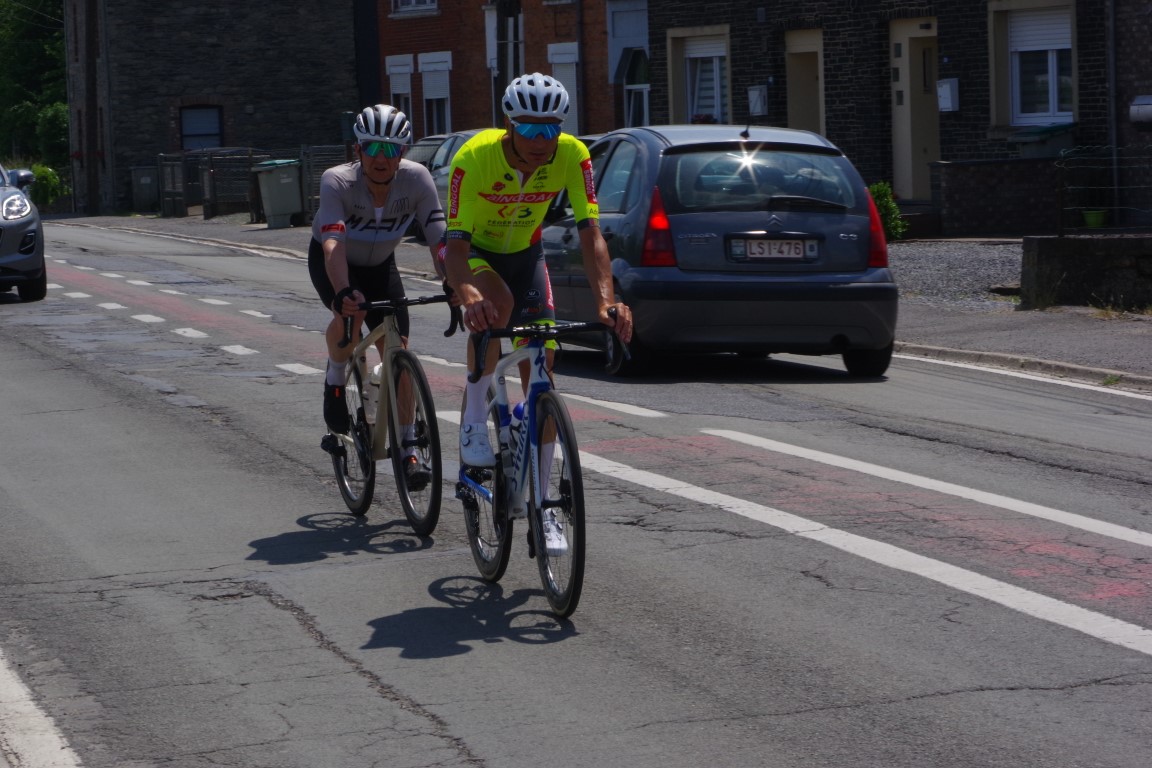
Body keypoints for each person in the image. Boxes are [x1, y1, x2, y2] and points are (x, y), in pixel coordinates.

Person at [442, 72, 634, 475]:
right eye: (529, 129)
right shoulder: (473, 158)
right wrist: (469, 295)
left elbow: (591, 235)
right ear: (509, 125)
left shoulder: (573, 155)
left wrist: (606, 301)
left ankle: (541, 497)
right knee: (497, 305)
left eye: (549, 130)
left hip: (526, 254)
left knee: (542, 370)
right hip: (476, 251)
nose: (540, 141)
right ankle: (474, 421)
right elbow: (454, 249)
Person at [309, 104, 446, 485]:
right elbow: (333, 243)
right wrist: (343, 291)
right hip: (335, 262)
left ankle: (408, 448)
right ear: (358, 150)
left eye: (390, 149)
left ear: (402, 153)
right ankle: (336, 378)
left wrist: (452, 280)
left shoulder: (417, 179)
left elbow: (439, 239)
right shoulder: (336, 181)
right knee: (350, 321)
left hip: (382, 266)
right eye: (372, 148)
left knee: (398, 350)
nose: (381, 158)